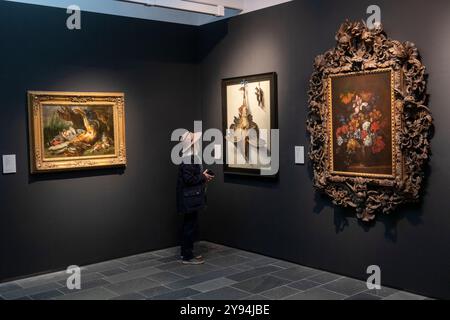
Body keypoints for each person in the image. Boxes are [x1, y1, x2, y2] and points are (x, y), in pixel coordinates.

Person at [176, 131, 214, 265]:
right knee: (189, 226)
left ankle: (186, 253)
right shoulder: (188, 158)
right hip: (190, 200)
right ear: (191, 144)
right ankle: (187, 256)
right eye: (194, 140)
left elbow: (191, 176)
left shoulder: (189, 157)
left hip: (190, 199)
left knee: (189, 225)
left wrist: (202, 175)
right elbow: (189, 180)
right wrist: (203, 177)